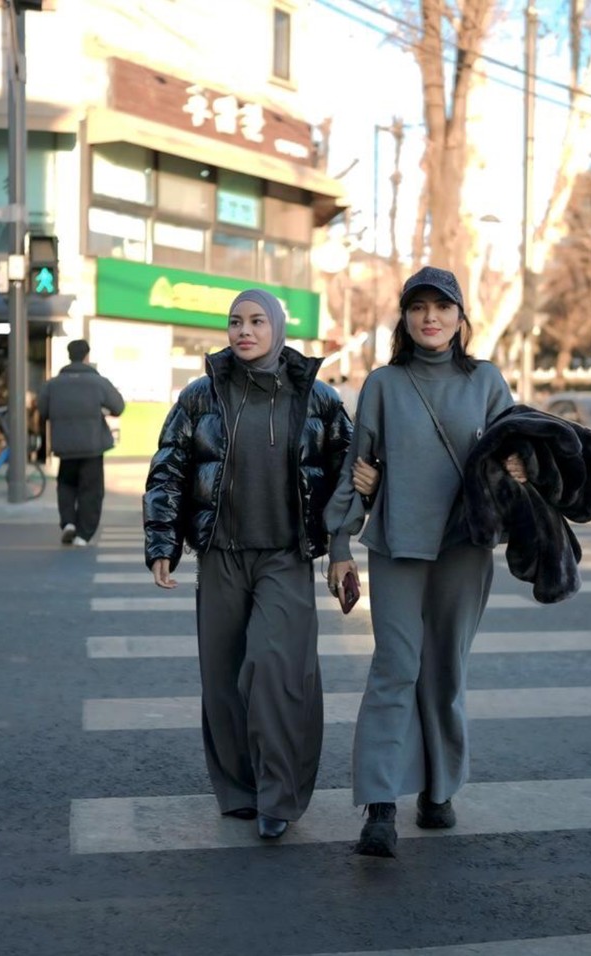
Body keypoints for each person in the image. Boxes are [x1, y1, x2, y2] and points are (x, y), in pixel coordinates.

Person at [143, 289, 378, 841]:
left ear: (276, 327)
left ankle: (280, 795)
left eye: (255, 321)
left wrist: (361, 497)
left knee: (277, 674)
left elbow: (349, 467)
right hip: (220, 555)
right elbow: (169, 469)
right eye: (235, 321)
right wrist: (162, 544)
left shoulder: (315, 398)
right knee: (223, 679)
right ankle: (240, 790)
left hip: (285, 558)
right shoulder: (200, 396)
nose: (244, 330)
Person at [324, 266, 527, 858]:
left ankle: (437, 791)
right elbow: (356, 470)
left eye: (442, 307)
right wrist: (340, 545)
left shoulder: (487, 381)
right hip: (397, 546)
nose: (430, 318)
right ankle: (380, 806)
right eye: (418, 308)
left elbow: (516, 455)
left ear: (461, 319)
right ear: (405, 319)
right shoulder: (384, 384)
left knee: (445, 672)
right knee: (394, 667)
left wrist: (517, 471)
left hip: (464, 548)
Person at [38, 339, 125, 546]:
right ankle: (83, 535)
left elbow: (42, 411)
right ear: (87, 356)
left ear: (69, 356)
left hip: (64, 446)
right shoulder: (98, 382)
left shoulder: (53, 384)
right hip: (92, 446)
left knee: (66, 485)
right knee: (91, 490)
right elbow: (118, 407)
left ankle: (68, 522)